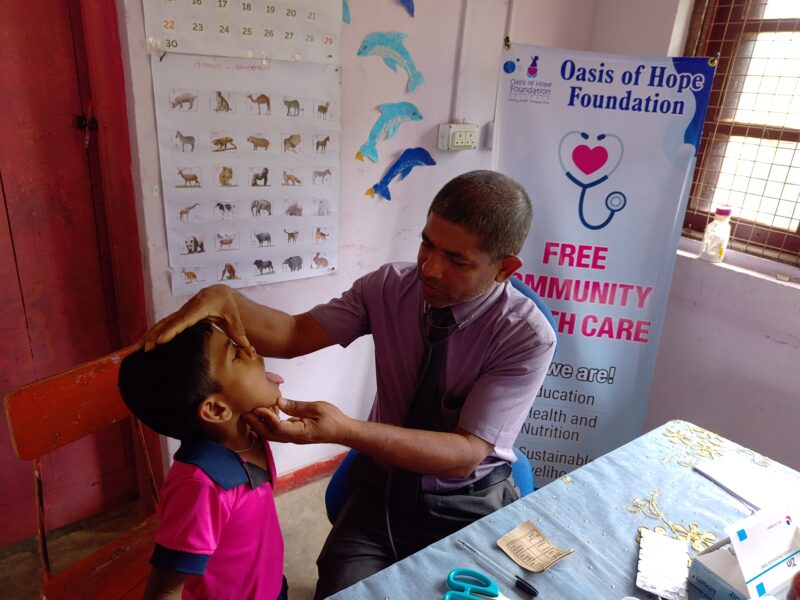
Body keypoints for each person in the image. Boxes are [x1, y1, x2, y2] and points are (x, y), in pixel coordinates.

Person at [141, 170, 557, 597]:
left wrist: (345, 431)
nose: (429, 268)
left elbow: (464, 455)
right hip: (382, 487)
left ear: (504, 268)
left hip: (465, 498)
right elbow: (294, 333)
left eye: (456, 260)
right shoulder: (389, 287)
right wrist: (228, 298)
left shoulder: (525, 336)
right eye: (426, 244)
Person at [120, 321, 288, 600]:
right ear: (216, 410)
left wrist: (252, 392)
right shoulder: (200, 487)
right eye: (235, 355)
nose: (249, 348)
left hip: (270, 587)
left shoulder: (251, 432)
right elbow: (165, 591)